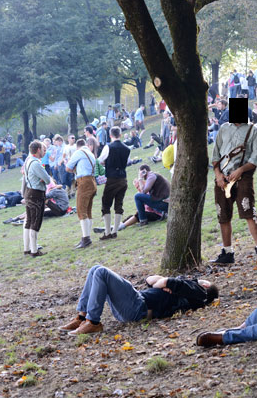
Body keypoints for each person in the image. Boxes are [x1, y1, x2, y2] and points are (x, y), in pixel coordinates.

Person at [58, 265, 219, 335]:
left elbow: (160, 282)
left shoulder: (198, 292)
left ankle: (93, 322)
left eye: (205, 281)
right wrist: (164, 282)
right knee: (95, 269)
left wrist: (165, 283)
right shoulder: (186, 290)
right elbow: (150, 280)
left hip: (139, 307)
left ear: (205, 286)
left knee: (101, 272)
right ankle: (82, 318)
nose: (201, 280)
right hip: (133, 304)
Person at [209, 103, 257, 265]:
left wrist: (241, 170)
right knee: (223, 215)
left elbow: (256, 159)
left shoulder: (253, 131)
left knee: (249, 211)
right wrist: (218, 176)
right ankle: (227, 252)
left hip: (243, 177)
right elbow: (215, 156)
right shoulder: (223, 129)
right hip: (223, 178)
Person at [96, 127, 130, 240]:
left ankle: (107, 232)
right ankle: (114, 231)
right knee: (118, 204)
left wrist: (107, 163)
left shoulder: (108, 147)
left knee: (106, 204)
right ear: (120, 134)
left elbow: (100, 160)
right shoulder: (127, 148)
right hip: (123, 178)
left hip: (112, 178)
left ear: (110, 135)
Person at [21, 141, 51, 257]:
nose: (44, 151)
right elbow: (48, 179)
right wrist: (43, 179)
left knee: (29, 221)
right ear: (38, 149)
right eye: (42, 149)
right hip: (36, 194)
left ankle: (27, 248)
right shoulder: (35, 163)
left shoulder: (28, 160)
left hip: (29, 192)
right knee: (35, 221)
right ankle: (34, 250)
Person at [66, 139, 97, 249]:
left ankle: (86, 238)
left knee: (81, 210)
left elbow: (68, 167)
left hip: (84, 182)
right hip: (92, 181)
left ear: (77, 147)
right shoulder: (90, 154)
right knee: (88, 211)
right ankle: (86, 237)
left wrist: (74, 169)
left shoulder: (79, 153)